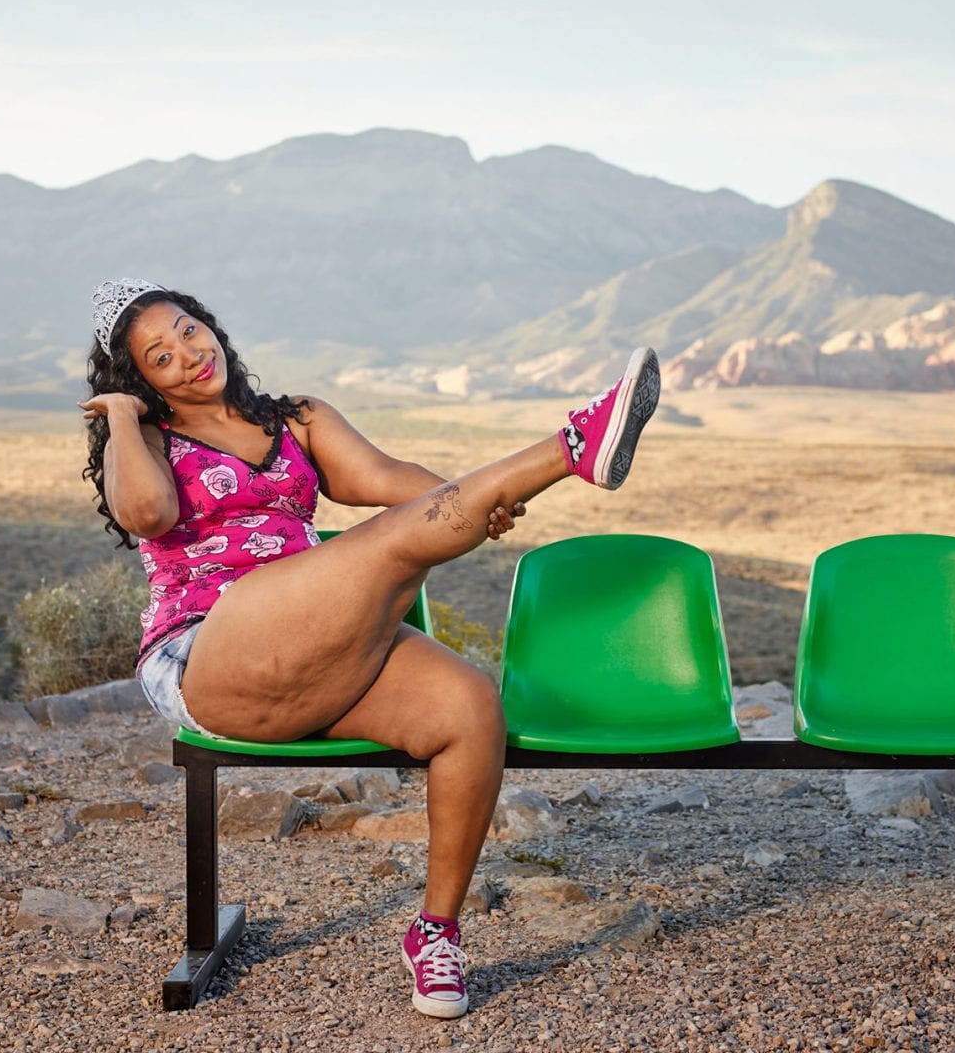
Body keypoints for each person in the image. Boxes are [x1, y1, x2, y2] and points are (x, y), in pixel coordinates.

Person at [79, 277, 660, 1020]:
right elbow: (147, 512)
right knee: (387, 548)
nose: (188, 355)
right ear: (141, 381)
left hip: (322, 651)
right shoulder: (149, 439)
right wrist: (125, 420)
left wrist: (472, 500)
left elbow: (392, 485)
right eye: (158, 358)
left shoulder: (299, 419)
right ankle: (574, 445)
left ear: (210, 324)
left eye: (188, 330)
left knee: (468, 707)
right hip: (214, 654)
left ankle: (436, 931)